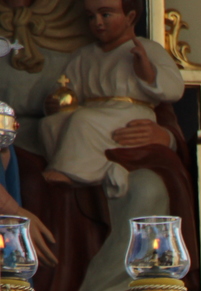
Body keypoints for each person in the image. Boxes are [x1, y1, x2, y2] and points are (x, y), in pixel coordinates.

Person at [39, 0, 183, 198]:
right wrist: (56, 102)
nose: (97, 22)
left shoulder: (148, 49)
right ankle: (97, 168)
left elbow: (175, 89)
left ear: (130, 17)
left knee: (83, 121)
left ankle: (70, 172)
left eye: (105, 14)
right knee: (50, 124)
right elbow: (65, 89)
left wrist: (147, 73)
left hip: (127, 115)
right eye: (91, 17)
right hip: (92, 113)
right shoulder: (84, 55)